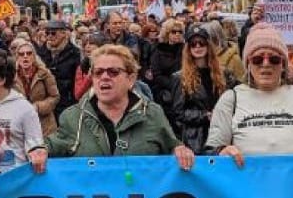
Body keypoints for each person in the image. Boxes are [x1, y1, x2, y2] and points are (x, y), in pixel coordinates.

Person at [206, 24, 293, 164]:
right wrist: (222, 152)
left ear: (283, 64)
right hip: (245, 186)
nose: (266, 64)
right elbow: (210, 155)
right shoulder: (230, 99)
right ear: (248, 64)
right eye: (258, 59)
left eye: (274, 59)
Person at [46, 45, 195, 172]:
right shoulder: (72, 116)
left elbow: (171, 145)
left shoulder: (152, 113)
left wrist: (180, 151)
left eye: (113, 72)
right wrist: (39, 150)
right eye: (98, 72)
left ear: (130, 79)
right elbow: (52, 146)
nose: (104, 77)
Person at [0, 50, 48, 175]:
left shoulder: (25, 109)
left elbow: (35, 145)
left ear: (1, 80)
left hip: (14, 183)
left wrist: (38, 152)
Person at [169, 25, 236, 154]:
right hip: (196, 138)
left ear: (208, 45)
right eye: (193, 44)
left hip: (223, 132)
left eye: (202, 43)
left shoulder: (224, 74)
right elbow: (178, 112)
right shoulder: (179, 77)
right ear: (188, 48)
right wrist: (205, 116)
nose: (198, 47)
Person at [10, 39, 60, 136]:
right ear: (17, 57)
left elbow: (55, 97)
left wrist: (38, 107)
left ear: (34, 56)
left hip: (45, 126)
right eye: (21, 54)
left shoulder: (44, 73)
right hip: (21, 125)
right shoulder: (12, 76)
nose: (25, 56)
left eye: (29, 53)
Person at [37, 20, 81, 118]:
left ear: (63, 34)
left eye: (53, 33)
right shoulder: (40, 52)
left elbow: (77, 82)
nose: (50, 36)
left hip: (66, 104)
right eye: (47, 33)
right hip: (46, 104)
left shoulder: (75, 53)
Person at [148, 19, 185, 106]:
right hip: (165, 92)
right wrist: (173, 85)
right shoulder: (158, 50)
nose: (177, 34)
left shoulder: (186, 49)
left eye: (180, 32)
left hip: (184, 89)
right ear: (167, 33)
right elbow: (156, 74)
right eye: (174, 32)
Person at [73, 33, 107, 102]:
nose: (87, 46)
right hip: (87, 105)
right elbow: (78, 95)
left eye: (91, 44)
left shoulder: (109, 65)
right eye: (85, 44)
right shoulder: (81, 67)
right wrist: (89, 76)